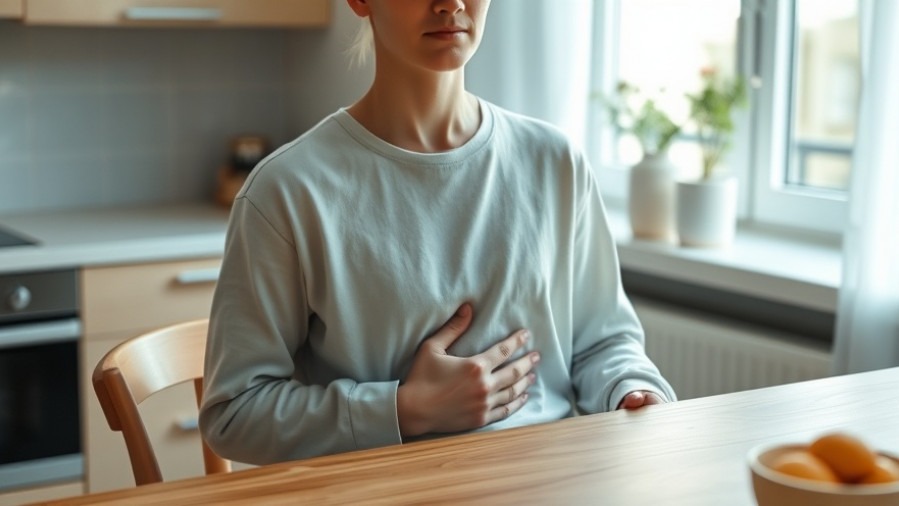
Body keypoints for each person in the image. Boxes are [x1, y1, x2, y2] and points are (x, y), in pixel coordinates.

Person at [199, 0, 676, 466]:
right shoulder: (287, 190)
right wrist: (405, 409)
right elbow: (235, 415)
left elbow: (602, 342)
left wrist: (631, 388)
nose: (449, 4)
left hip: (548, 482)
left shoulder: (555, 162)